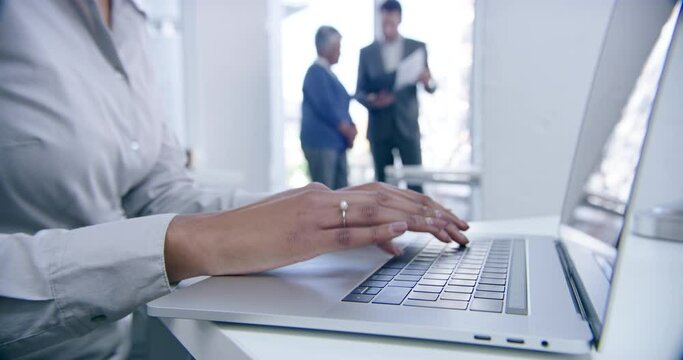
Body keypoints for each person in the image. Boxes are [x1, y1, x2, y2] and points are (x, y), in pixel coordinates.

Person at [0, 1, 469, 359]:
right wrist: (191, 242)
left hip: (128, 339)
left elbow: (162, 192)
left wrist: (318, 212)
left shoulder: (130, 20)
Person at [356, 0, 436, 193]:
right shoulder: (367, 53)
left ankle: (418, 223)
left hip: (407, 127)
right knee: (383, 188)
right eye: (384, 22)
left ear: (399, 19)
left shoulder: (416, 48)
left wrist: (428, 81)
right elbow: (359, 92)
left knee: (415, 184)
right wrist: (374, 101)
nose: (387, 26)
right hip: (380, 128)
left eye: (391, 21)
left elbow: (432, 86)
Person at [300, 26, 357, 189]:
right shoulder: (315, 73)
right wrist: (346, 129)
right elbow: (326, 106)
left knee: (340, 195)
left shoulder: (329, 74)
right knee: (325, 194)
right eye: (338, 46)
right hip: (321, 144)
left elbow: (341, 106)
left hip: (336, 144)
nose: (340, 51)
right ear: (327, 47)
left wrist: (352, 128)